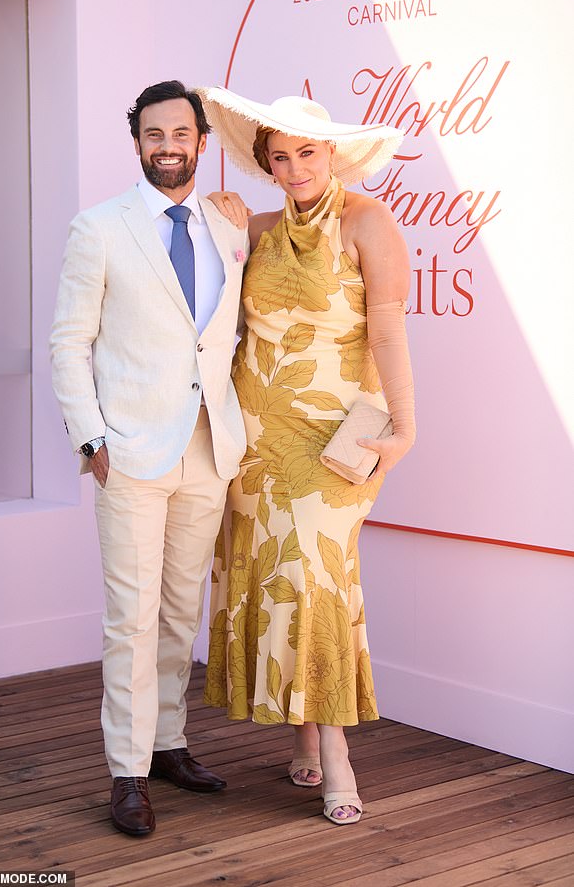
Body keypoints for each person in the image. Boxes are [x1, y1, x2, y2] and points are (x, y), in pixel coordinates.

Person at [198, 87, 415, 825]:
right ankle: (305, 734)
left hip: (335, 435)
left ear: (332, 155)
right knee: (278, 578)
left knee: (317, 578)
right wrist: (222, 224)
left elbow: (387, 336)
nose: (293, 169)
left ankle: (339, 753)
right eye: (279, 156)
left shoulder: (368, 222)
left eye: (306, 153)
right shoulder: (254, 228)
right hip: (254, 434)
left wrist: (406, 428)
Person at [50, 81, 249, 837]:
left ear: (202, 140)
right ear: (137, 140)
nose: (169, 146)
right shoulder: (99, 228)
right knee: (129, 620)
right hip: (129, 454)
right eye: (154, 134)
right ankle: (126, 771)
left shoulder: (228, 230)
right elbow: (69, 341)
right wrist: (91, 439)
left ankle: (168, 742)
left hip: (207, 447)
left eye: (182, 133)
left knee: (178, 612)